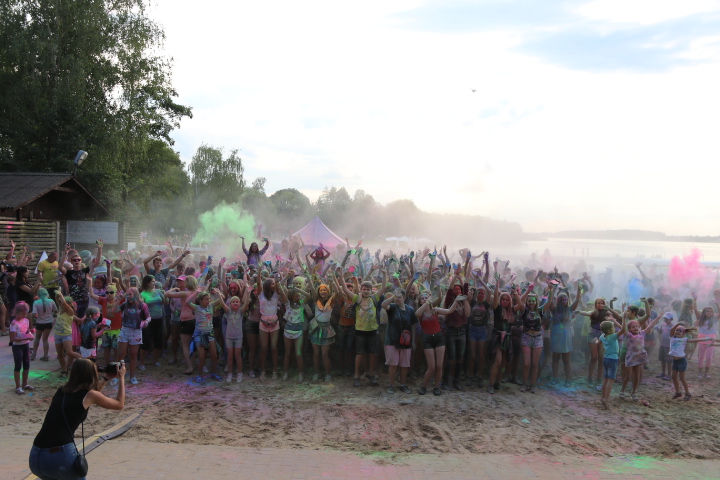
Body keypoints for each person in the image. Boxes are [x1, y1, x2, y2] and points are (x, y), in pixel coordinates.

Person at [30, 359, 125, 480]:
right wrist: (121, 377)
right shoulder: (90, 395)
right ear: (91, 374)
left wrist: (106, 379)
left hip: (36, 456)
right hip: (58, 456)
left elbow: (88, 397)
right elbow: (119, 404)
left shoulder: (62, 390)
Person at [668, 323, 719, 401]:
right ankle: (678, 392)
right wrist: (678, 324)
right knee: (674, 377)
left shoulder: (684, 340)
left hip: (682, 361)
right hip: (675, 361)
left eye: (680, 331)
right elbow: (672, 330)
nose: (677, 331)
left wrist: (707, 338)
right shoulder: (672, 338)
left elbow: (696, 339)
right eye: (677, 330)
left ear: (683, 334)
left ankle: (687, 393)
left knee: (682, 378)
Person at [381, 289, 417, 394]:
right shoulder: (392, 307)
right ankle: (391, 385)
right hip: (391, 340)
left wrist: (413, 340)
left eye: (399, 297)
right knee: (393, 364)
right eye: (396, 297)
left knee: (404, 364)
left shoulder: (410, 310)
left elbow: (413, 325)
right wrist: (393, 296)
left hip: (406, 341)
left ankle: (403, 384)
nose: (397, 299)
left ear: (404, 298)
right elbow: (384, 305)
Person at [112, 287, 150, 385]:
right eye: (127, 294)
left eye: (130, 294)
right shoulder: (125, 304)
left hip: (136, 331)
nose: (128, 297)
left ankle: (132, 377)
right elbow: (114, 310)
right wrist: (119, 300)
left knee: (133, 354)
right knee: (121, 354)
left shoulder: (142, 305)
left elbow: (148, 317)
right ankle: (117, 376)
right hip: (125, 330)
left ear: (136, 295)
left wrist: (145, 322)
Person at [188, 290, 225, 383]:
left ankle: (213, 373)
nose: (208, 301)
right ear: (200, 300)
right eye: (206, 299)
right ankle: (200, 375)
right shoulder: (196, 308)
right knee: (201, 356)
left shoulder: (211, 306)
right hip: (199, 334)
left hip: (210, 333)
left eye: (209, 299)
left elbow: (221, 300)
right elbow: (187, 302)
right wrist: (196, 292)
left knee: (214, 355)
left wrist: (218, 293)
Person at [218, 287, 251, 382]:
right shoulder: (228, 311)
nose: (236, 303)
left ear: (239, 303)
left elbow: (247, 303)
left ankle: (239, 373)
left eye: (237, 302)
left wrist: (248, 293)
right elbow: (222, 303)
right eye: (233, 302)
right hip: (229, 337)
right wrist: (219, 294)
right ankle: (230, 373)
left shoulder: (241, 312)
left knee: (238, 356)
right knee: (230, 356)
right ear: (230, 304)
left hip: (238, 338)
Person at [599, 313, 627, 410]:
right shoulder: (613, 336)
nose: (615, 327)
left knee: (605, 379)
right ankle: (606, 399)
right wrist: (623, 318)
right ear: (610, 330)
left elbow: (598, 341)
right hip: (613, 360)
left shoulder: (602, 336)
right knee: (610, 381)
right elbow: (623, 330)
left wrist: (610, 320)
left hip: (606, 359)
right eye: (613, 326)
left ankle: (603, 397)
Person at [54, 292, 82, 375]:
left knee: (69, 352)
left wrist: (61, 294)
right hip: (57, 334)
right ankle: (64, 370)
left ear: (69, 304)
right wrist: (58, 294)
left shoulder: (70, 311)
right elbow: (58, 300)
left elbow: (63, 303)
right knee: (60, 354)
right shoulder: (60, 309)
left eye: (64, 304)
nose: (62, 305)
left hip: (66, 335)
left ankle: (84, 361)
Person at [10, 301, 35, 394]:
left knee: (26, 364)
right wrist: (26, 337)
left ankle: (25, 383)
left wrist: (30, 334)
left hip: (26, 345)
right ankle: (18, 386)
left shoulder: (26, 320)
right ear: (16, 313)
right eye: (22, 314)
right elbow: (13, 338)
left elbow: (27, 330)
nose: (24, 316)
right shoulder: (13, 323)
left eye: (25, 314)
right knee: (18, 365)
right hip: (17, 346)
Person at [31, 288, 57, 362]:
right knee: (45, 339)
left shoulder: (36, 303)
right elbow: (55, 310)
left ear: (38, 294)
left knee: (37, 338)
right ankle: (45, 355)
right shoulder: (51, 301)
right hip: (49, 322)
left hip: (39, 322)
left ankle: (34, 354)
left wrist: (34, 319)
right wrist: (51, 314)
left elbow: (33, 314)